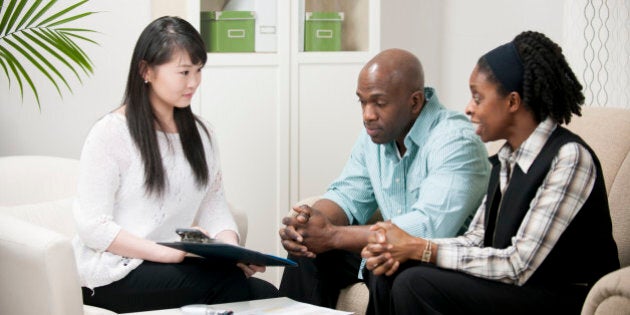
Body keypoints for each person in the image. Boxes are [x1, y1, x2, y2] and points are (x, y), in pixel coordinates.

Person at [362, 31, 620, 315]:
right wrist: (401, 247)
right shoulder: (507, 159)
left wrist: (421, 249)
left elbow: (518, 264)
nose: (469, 109)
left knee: (415, 283)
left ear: (512, 102)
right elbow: (476, 239)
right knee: (387, 269)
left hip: (565, 295)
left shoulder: (568, 158)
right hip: (515, 288)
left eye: (478, 97)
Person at [72, 16, 278, 313]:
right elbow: (93, 227)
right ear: (146, 71)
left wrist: (231, 250)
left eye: (198, 70)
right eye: (183, 72)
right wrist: (164, 254)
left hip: (167, 266)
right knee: (228, 283)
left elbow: (214, 207)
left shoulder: (203, 134)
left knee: (267, 294)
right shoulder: (111, 133)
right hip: (112, 274)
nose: (193, 82)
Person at [279, 48, 491, 308]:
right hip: (390, 250)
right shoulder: (377, 136)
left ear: (414, 102)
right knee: (306, 251)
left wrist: (333, 235)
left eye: (379, 103)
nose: (367, 114)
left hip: (442, 263)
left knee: (387, 264)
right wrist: (310, 223)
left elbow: (429, 228)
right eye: (362, 102)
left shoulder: (454, 139)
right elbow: (347, 195)